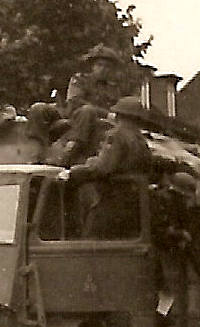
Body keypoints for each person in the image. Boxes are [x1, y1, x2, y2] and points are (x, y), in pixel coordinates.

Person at [58, 95, 152, 239]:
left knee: (89, 243)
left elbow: (102, 167)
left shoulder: (116, 135)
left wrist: (72, 172)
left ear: (118, 115)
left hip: (111, 202)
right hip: (134, 205)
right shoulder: (141, 141)